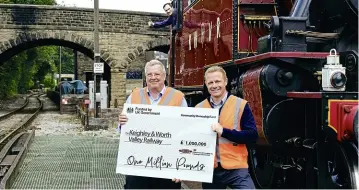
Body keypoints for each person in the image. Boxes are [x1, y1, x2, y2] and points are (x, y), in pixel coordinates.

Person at [118, 59, 187, 189]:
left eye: (157, 74)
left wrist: (182, 167)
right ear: (146, 77)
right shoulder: (134, 96)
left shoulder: (178, 97)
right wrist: (122, 123)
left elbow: (185, 133)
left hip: (167, 163)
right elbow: (124, 130)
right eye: (149, 75)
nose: (153, 77)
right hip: (138, 163)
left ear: (164, 76)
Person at [196, 66, 258, 189]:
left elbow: (252, 136)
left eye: (218, 81)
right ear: (206, 85)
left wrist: (224, 132)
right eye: (210, 82)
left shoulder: (241, 105)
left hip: (236, 168)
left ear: (225, 81)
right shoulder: (199, 108)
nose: (214, 86)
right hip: (210, 170)